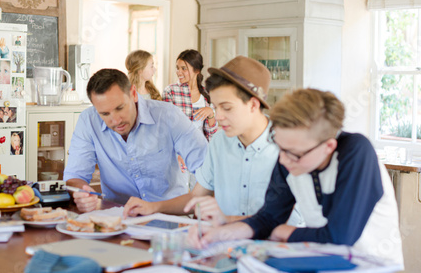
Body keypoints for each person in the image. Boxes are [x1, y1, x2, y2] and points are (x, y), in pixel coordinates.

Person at [187, 88, 404, 266]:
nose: (282, 161)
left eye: (293, 153)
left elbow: (340, 236)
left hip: (371, 264)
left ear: (328, 146)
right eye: (280, 148)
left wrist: (285, 232)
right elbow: (267, 219)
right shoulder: (290, 157)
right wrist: (218, 235)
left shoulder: (356, 152)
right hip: (323, 260)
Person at [124, 56, 300, 228]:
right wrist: (152, 207)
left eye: (227, 108)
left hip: (277, 249)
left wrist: (226, 220)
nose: (219, 116)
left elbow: (293, 219)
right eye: (215, 107)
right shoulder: (219, 142)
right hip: (225, 247)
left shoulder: (290, 147)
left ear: (253, 105)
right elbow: (197, 196)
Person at [63, 68, 208, 212]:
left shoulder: (168, 115)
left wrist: (197, 210)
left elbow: (208, 169)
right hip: (117, 223)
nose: (115, 120)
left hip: (169, 222)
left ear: (133, 94)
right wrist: (81, 193)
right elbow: (75, 176)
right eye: (105, 114)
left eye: (120, 108)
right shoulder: (88, 120)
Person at [162, 50, 217, 141]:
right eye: (177, 68)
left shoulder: (207, 94)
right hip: (178, 152)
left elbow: (212, 136)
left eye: (184, 68)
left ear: (197, 70)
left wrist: (211, 113)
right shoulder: (170, 91)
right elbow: (167, 128)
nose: (179, 72)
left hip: (201, 150)